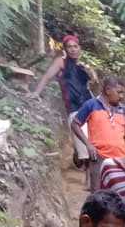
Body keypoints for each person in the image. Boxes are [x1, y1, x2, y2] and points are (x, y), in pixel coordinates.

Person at [31, 34, 98, 178]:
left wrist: (90, 72)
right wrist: (36, 92)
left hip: (89, 104)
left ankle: (90, 172)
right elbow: (47, 77)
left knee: (93, 139)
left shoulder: (82, 65)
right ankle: (87, 176)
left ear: (79, 48)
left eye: (75, 46)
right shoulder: (61, 62)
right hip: (74, 107)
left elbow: (93, 82)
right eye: (69, 47)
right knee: (83, 142)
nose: (73, 50)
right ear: (65, 49)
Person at [71, 77, 125, 191]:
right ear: (108, 90)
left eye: (123, 93)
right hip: (99, 158)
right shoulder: (91, 105)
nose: (122, 96)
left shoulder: (123, 109)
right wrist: (88, 144)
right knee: (98, 196)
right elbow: (75, 124)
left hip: (122, 158)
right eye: (119, 92)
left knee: (122, 193)